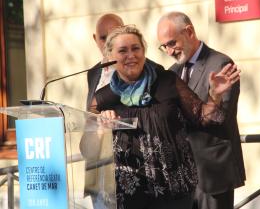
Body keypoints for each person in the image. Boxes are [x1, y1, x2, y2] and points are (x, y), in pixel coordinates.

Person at [93, 25, 240, 209]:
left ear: (144, 52)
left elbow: (203, 117)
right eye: (122, 51)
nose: (131, 55)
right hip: (129, 194)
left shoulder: (167, 81)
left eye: (136, 48)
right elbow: (87, 148)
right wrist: (100, 129)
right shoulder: (103, 98)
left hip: (174, 191)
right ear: (110, 58)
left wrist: (215, 96)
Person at [156, 11, 246, 209]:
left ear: (189, 31)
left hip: (213, 172)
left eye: (172, 43)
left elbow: (221, 117)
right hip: (182, 176)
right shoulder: (172, 72)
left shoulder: (220, 63)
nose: (169, 51)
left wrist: (214, 96)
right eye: (164, 46)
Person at [86, 13, 124, 111]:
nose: (109, 43)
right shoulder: (93, 72)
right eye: (103, 38)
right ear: (95, 39)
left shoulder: (141, 68)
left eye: (114, 37)